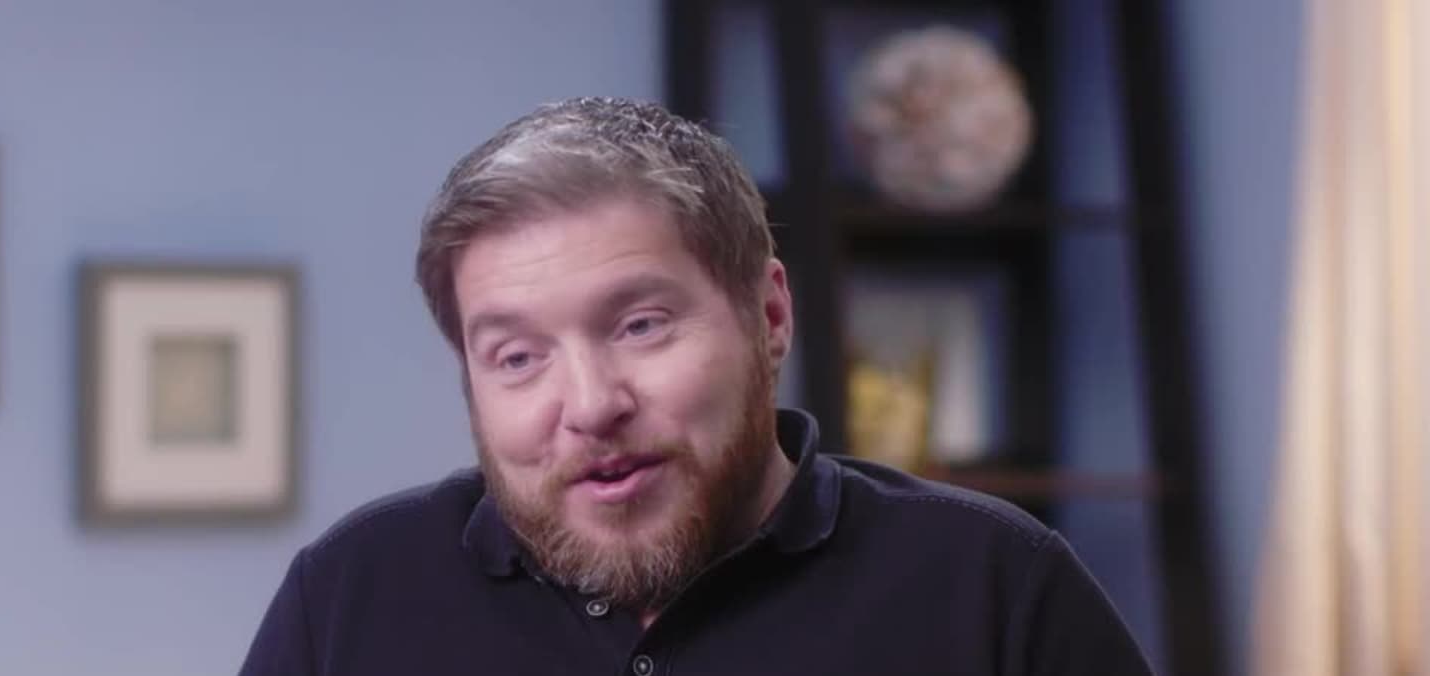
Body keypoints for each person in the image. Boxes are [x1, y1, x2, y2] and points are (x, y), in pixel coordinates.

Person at [237, 97, 1152, 676]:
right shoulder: (350, 596)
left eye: (640, 325)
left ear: (770, 316)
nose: (591, 405)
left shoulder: (997, 589)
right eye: (517, 357)